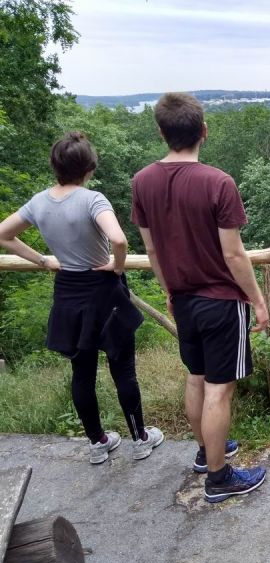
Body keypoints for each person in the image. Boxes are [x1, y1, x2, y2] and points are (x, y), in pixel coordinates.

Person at [131, 92, 269, 503]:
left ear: (161, 132)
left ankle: (207, 451)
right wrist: (258, 301)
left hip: (184, 299)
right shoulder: (218, 183)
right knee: (219, 389)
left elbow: (153, 251)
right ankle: (219, 477)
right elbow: (233, 253)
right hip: (222, 301)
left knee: (195, 377)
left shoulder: (142, 182)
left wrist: (170, 291)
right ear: (203, 132)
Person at [0, 132, 164, 464]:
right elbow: (119, 240)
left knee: (82, 372)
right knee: (123, 369)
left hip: (68, 292)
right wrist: (117, 268)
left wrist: (44, 260)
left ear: (55, 165)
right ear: (88, 167)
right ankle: (140, 438)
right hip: (104, 292)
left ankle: (98, 443)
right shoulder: (93, 200)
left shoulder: (38, 202)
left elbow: (4, 234)